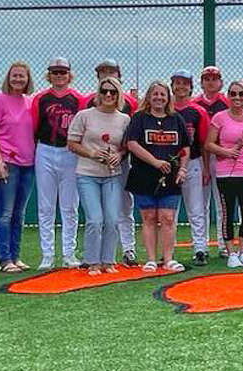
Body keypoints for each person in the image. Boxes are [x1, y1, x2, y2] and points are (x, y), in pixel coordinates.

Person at [124, 81, 190, 273]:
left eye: (163, 94)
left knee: (168, 217)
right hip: (144, 175)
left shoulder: (176, 119)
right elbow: (132, 144)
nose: (159, 98)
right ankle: (151, 259)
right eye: (155, 94)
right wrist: (154, 162)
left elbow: (185, 147)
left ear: (168, 98)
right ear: (148, 97)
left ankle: (168, 259)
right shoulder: (139, 118)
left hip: (170, 177)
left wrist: (183, 169)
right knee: (149, 217)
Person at [69, 75, 130, 276]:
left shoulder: (124, 119)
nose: (108, 95)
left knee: (112, 219)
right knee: (95, 219)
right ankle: (92, 261)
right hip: (87, 173)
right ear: (99, 93)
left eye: (113, 92)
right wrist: (92, 153)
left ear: (119, 95)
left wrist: (119, 156)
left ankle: (108, 260)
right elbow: (72, 144)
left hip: (113, 174)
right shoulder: (84, 115)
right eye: (104, 91)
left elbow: (126, 147)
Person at [31, 58, 84, 269]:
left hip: (70, 151)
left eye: (63, 72)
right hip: (45, 149)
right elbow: (34, 127)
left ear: (69, 74)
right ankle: (47, 254)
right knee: (46, 205)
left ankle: (69, 253)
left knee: (70, 205)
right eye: (55, 72)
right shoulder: (40, 99)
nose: (59, 76)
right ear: (49, 74)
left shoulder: (77, 99)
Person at [0, 61, 36, 273]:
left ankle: (16, 256)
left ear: (28, 79)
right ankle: (5, 259)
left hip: (28, 164)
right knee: (5, 212)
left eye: (22, 76)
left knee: (19, 213)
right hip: (6, 163)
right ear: (8, 77)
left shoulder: (30, 102)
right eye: (14, 75)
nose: (18, 79)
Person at [85, 59, 138, 266]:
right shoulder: (89, 102)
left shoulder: (130, 103)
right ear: (97, 76)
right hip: (95, 163)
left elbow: (133, 135)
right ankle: (99, 254)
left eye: (111, 71)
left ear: (119, 75)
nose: (107, 74)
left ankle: (128, 248)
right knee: (97, 212)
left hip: (121, 161)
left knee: (124, 206)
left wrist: (122, 153)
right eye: (103, 72)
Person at [206, 81, 243, 267]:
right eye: (233, 94)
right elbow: (209, 144)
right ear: (228, 96)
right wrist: (226, 152)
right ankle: (231, 253)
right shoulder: (219, 117)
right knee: (228, 212)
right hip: (225, 172)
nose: (237, 98)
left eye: (241, 94)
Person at [171, 70, 212, 265]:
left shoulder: (198, 111)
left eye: (185, 83)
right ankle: (168, 251)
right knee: (170, 211)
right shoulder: (165, 108)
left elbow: (203, 141)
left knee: (196, 209)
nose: (181, 86)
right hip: (169, 165)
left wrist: (205, 167)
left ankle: (200, 249)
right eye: (177, 83)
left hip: (194, 161)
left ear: (191, 86)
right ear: (172, 85)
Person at [194, 65, 229, 256]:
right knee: (201, 204)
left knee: (223, 203)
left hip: (222, 155)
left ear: (220, 82)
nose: (211, 82)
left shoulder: (226, 102)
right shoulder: (196, 104)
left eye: (214, 78)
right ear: (201, 82)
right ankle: (202, 246)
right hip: (200, 156)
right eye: (207, 78)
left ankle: (224, 244)